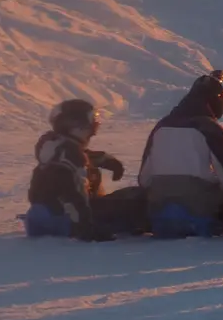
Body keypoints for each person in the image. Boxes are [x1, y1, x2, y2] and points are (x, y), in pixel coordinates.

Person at [138, 70, 223, 233]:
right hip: (198, 205)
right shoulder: (209, 128)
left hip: (159, 205)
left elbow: (144, 178)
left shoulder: (161, 126)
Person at [28, 99, 147, 240]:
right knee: (138, 199)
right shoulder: (72, 156)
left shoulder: (55, 147)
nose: (93, 132)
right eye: (91, 124)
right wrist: (87, 229)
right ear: (78, 127)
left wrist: (106, 160)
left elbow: (82, 157)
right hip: (68, 219)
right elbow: (75, 194)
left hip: (46, 213)